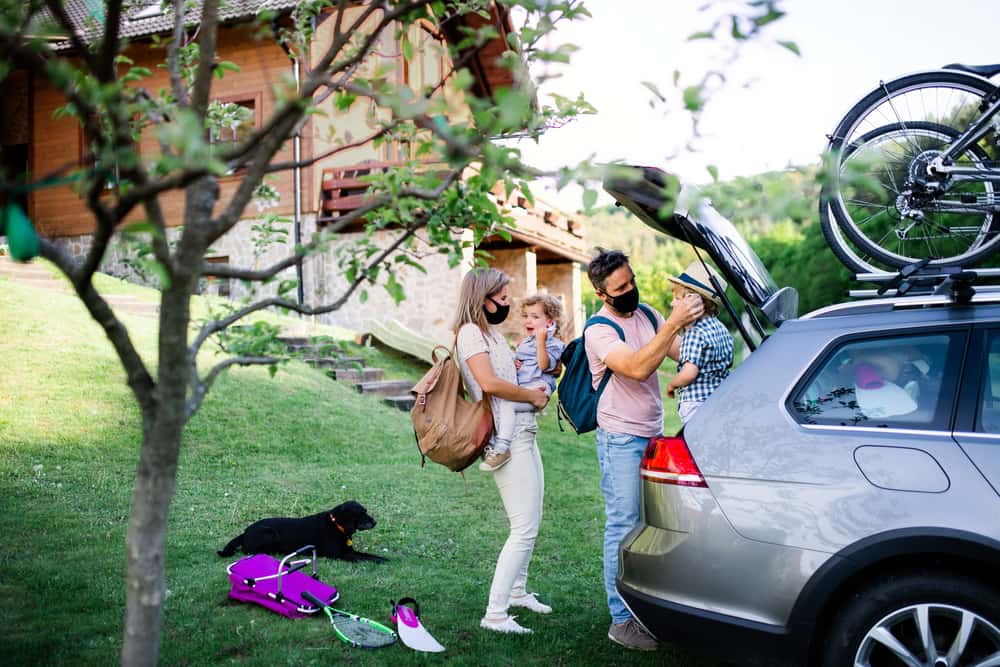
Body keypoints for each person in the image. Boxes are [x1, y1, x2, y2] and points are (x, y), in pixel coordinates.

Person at [583, 248, 703, 651]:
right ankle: (621, 621)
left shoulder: (648, 315)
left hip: (653, 434)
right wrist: (672, 323)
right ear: (603, 293)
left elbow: (682, 353)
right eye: (620, 288)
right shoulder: (598, 330)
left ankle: (648, 605)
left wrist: (701, 321)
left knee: (654, 524)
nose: (630, 290)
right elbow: (636, 367)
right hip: (619, 438)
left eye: (631, 281)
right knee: (623, 523)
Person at [452, 267, 553, 635]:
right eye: (504, 297)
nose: (508, 304)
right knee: (523, 527)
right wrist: (532, 395)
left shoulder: (489, 333)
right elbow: (489, 383)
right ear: (484, 298)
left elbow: (506, 376)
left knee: (533, 519)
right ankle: (495, 613)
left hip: (524, 431)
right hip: (505, 440)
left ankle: (517, 592)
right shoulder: (468, 334)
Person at [480, 293, 566, 472]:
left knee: (507, 405)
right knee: (505, 404)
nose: (528, 321)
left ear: (550, 322)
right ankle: (500, 444)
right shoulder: (527, 342)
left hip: (539, 388)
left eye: (535, 317)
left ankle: (501, 448)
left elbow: (544, 365)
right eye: (526, 316)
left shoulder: (553, 343)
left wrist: (541, 342)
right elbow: (524, 363)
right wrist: (515, 361)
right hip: (527, 386)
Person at [664, 262, 735, 425]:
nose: (672, 304)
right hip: (719, 401)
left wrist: (672, 384)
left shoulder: (694, 334)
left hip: (696, 405)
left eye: (676, 298)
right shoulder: (721, 328)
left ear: (693, 302)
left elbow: (689, 373)